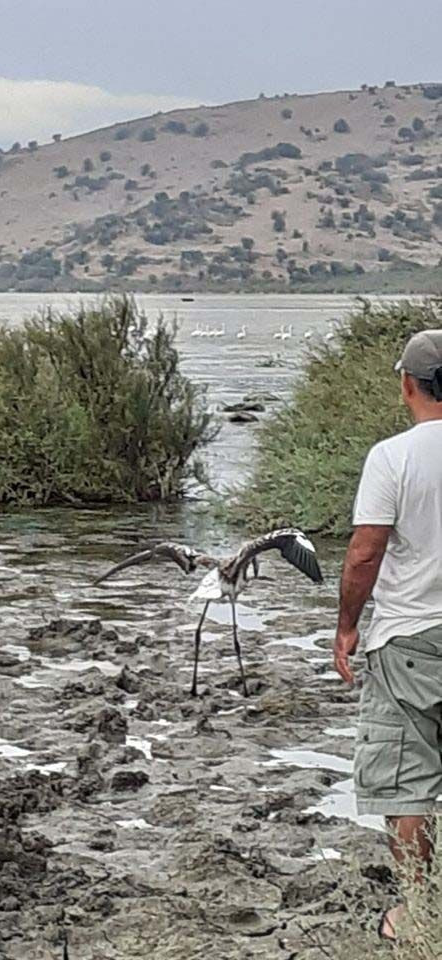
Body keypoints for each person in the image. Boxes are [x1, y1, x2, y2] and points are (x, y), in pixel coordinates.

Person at [334, 329, 442, 942]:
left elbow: (365, 552)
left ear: (407, 384)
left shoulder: (392, 456)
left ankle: (418, 915)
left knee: (408, 784)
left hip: (409, 639)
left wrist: (347, 626)